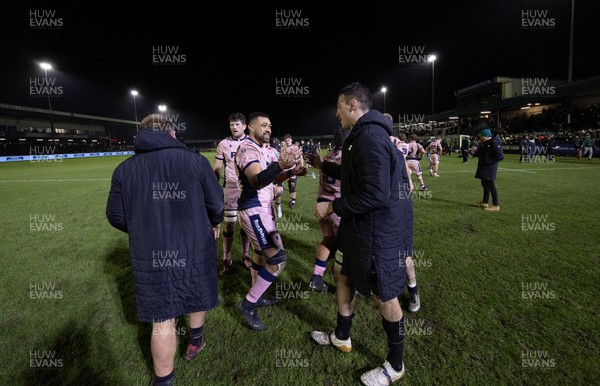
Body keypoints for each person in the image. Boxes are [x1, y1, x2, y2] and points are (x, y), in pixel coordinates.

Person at [106, 114, 224, 386]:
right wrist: (213, 224)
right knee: (196, 293)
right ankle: (195, 341)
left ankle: (164, 380)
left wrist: (143, 230)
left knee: (162, 319)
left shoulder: (124, 169)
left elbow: (115, 215)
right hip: (195, 244)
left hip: (153, 252)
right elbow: (217, 204)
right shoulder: (194, 160)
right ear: (172, 134)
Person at [307, 82, 413, 385]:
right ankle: (342, 335)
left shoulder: (370, 137)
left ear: (353, 105)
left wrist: (333, 207)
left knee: (385, 296)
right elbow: (353, 175)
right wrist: (324, 164)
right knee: (341, 274)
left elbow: (377, 194)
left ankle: (395, 365)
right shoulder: (360, 136)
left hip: (379, 233)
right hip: (360, 229)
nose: (337, 114)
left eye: (339, 107)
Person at [235, 112, 305, 331]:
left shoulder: (264, 149)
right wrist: (279, 165)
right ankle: (248, 304)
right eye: (263, 125)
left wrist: (292, 171)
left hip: (264, 208)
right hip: (253, 209)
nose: (268, 129)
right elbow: (256, 181)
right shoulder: (247, 148)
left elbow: (272, 179)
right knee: (277, 260)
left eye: (270, 126)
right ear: (250, 128)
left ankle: (258, 295)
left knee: (259, 254)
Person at [307, 125, 349, 293]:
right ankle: (346, 284)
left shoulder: (329, 155)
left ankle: (316, 278)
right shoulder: (348, 156)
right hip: (335, 207)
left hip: (321, 203)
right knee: (346, 247)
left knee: (328, 240)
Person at [213, 113, 251, 275]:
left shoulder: (252, 142)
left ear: (244, 126)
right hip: (230, 189)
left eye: (237, 124)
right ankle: (226, 258)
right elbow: (217, 169)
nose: (234, 127)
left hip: (249, 189)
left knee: (246, 225)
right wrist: (214, 189)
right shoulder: (223, 144)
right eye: (232, 125)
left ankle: (245, 256)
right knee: (229, 224)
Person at [471, 127, 504, 212]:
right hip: (483, 167)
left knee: (490, 185)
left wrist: (488, 161)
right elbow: (479, 154)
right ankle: (485, 202)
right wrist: (472, 152)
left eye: (482, 136)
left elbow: (500, 156)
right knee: (484, 184)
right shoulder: (483, 143)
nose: (480, 137)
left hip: (489, 168)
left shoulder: (494, 143)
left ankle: (496, 205)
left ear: (486, 136)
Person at [281, 133, 304, 208]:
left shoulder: (295, 147)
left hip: (293, 169)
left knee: (292, 184)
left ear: (291, 140)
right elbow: (282, 159)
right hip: (285, 170)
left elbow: (301, 157)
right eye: (286, 140)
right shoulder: (283, 148)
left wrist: (302, 165)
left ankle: (293, 201)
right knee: (289, 185)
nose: (288, 142)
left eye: (289, 140)